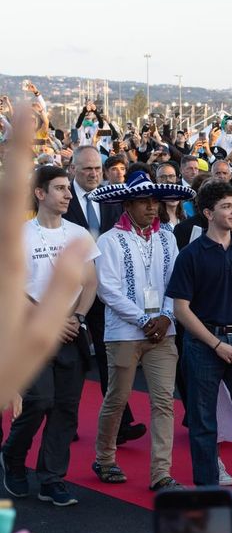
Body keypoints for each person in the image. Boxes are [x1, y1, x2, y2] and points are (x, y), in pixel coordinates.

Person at [166, 180, 232, 513]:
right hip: (203, 346)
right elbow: (181, 309)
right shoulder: (190, 255)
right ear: (208, 213)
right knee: (203, 422)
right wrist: (215, 344)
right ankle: (208, 493)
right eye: (226, 206)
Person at [89, 171, 195, 491]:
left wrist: (166, 316)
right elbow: (107, 290)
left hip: (163, 332)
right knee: (117, 398)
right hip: (124, 333)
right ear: (127, 205)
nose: (151, 207)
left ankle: (161, 473)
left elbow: (177, 281)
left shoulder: (167, 237)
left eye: (154, 201)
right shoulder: (109, 240)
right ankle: (105, 458)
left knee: (164, 401)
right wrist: (143, 320)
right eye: (143, 202)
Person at [2, 166, 100, 508]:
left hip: (71, 333)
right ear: (40, 193)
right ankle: (13, 455)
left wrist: (77, 316)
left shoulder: (79, 234)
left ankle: (51, 479)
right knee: (40, 400)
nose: (68, 194)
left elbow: (90, 283)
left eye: (67, 188)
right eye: (59, 188)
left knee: (65, 409)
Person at [63, 145, 143, 443]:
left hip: (106, 290)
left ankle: (119, 425)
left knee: (111, 359)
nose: (94, 174)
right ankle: (64, 424)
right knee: (71, 363)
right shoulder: (63, 198)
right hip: (70, 293)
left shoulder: (113, 199)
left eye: (98, 168)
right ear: (73, 169)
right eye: (87, 169)